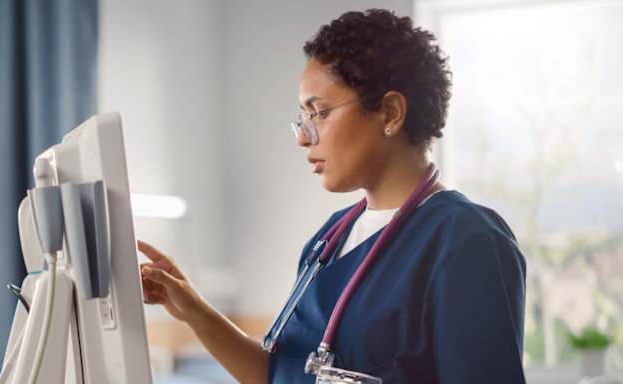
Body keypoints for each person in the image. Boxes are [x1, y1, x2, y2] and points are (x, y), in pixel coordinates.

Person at [137, 9, 526, 384]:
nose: (304, 137)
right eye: (303, 119)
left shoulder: (467, 241)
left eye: (319, 113)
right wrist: (192, 310)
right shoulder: (329, 238)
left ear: (390, 112)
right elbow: (278, 375)